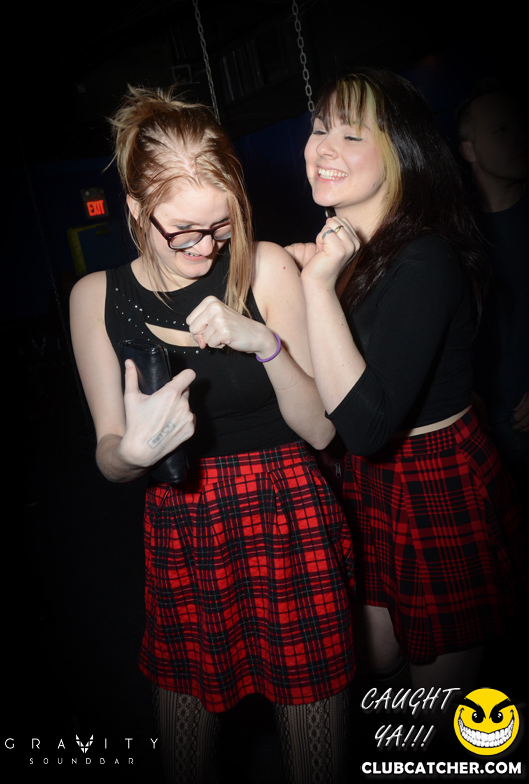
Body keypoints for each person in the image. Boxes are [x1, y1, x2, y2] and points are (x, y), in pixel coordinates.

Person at [69, 85, 355, 784]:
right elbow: (108, 454)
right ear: (135, 209)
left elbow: (323, 429)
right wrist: (131, 454)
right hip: (184, 525)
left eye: (222, 226)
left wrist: (264, 344)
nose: (205, 248)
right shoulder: (95, 298)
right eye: (183, 232)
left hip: (287, 511)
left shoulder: (266, 265)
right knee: (186, 758)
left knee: (314, 757)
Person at [286, 68, 527, 693]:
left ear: (401, 153)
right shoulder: (350, 249)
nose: (323, 148)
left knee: (437, 698)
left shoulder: (424, 255)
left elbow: (364, 427)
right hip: (374, 482)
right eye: (319, 129)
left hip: (436, 475)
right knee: (373, 655)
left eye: (351, 135)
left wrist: (315, 288)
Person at [457, 81, 529, 507]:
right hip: (487, 437)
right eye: (501, 130)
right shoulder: (458, 238)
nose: (518, 137)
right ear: (469, 150)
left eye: (520, 125)